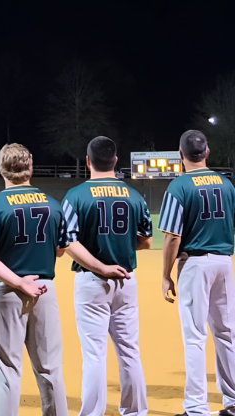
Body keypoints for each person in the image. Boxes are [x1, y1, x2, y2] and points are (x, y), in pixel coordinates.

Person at [0, 143, 130, 416]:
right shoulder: (54, 206)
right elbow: (61, 248)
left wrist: (19, 281)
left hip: (7, 291)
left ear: (2, 168)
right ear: (30, 164)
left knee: (7, 370)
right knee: (50, 368)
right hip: (45, 289)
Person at [62, 136, 152, 416]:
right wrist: (122, 245)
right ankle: (136, 411)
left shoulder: (75, 196)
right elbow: (146, 240)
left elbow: (67, 243)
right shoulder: (134, 195)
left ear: (88, 161)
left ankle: (92, 413)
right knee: (129, 351)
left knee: (94, 354)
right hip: (126, 279)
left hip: (92, 281)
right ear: (115, 160)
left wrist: (100, 267)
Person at [160, 130, 235, 416]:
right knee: (227, 334)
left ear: (181, 155)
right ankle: (233, 401)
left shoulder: (179, 187)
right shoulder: (226, 184)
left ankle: (196, 407)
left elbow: (172, 238)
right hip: (224, 263)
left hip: (195, 264)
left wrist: (166, 274)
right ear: (207, 152)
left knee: (194, 336)